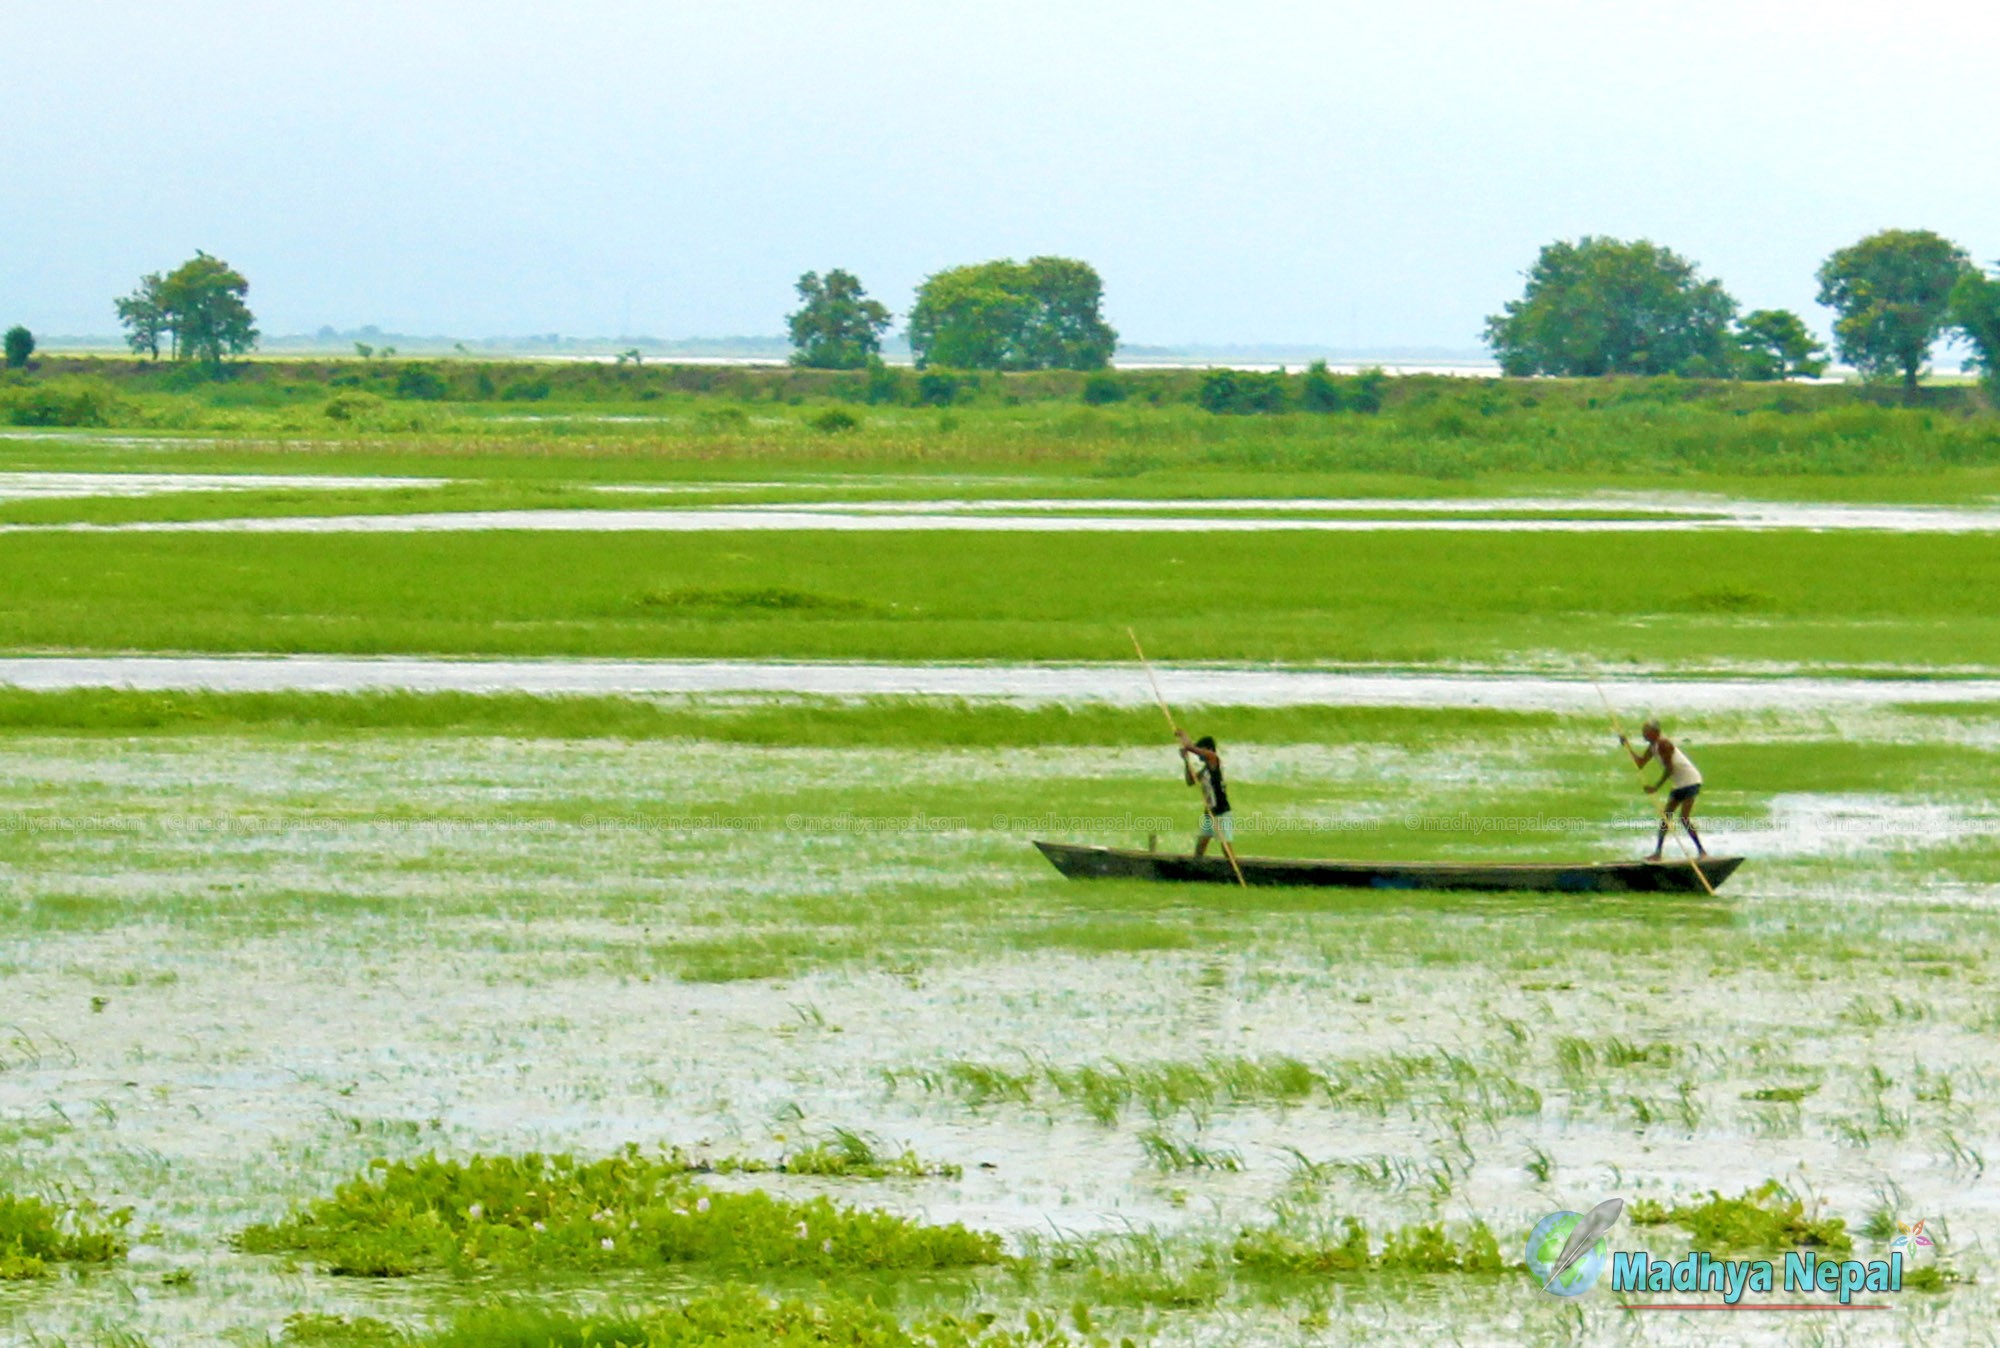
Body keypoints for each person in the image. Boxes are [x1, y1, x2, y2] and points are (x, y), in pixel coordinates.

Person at [1622, 718, 1705, 861]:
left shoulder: (1663, 744)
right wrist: (1627, 746)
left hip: (1690, 781)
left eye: (1646, 731)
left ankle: (1701, 851)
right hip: (1679, 783)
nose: (1643, 734)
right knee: (1665, 818)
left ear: (1655, 732)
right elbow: (1640, 763)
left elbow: (1670, 768)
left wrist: (1655, 787)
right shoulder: (1653, 747)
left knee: (1684, 818)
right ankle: (1658, 853)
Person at [1176, 729, 1233, 857]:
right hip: (1210, 813)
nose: (1199, 755)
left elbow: (1190, 747)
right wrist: (1186, 761)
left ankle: (1236, 873)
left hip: (1221, 811)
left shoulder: (1214, 759)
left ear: (1208, 749)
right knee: (1200, 847)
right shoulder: (1205, 770)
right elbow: (1191, 781)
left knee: (1226, 849)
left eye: (1201, 750)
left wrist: (1183, 735)